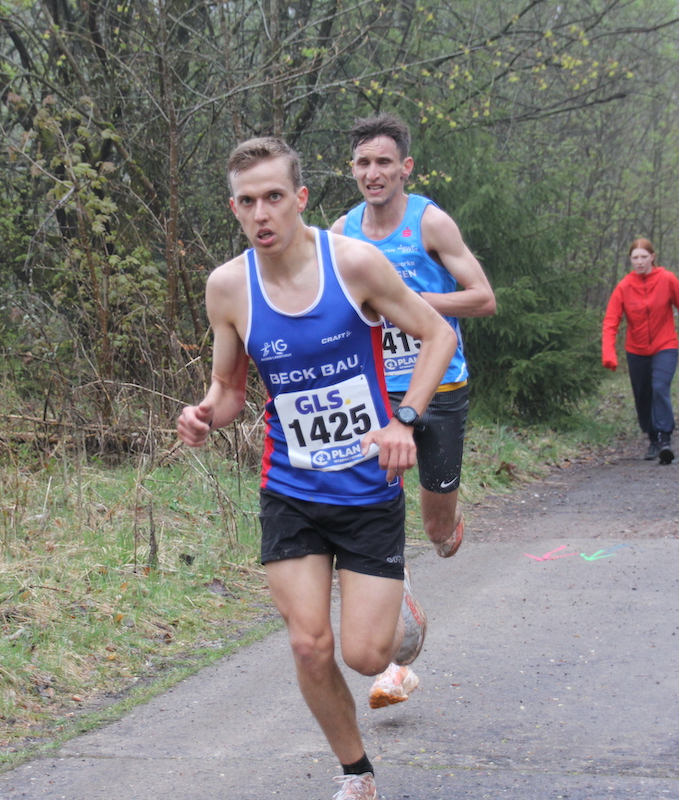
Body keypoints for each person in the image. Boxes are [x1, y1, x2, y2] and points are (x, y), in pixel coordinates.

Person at [177, 137, 456, 800]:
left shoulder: (354, 264)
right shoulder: (228, 287)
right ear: (234, 209)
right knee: (309, 645)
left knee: (366, 655)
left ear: (300, 198)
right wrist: (206, 414)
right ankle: (357, 774)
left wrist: (405, 420)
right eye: (248, 202)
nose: (262, 213)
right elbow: (230, 390)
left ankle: (398, 607)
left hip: (365, 488)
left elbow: (438, 334)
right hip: (291, 488)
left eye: (274, 196)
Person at [330, 112, 496, 709]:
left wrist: (411, 302)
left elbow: (483, 298)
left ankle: (449, 525)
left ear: (406, 168)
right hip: (377, 395)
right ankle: (396, 656)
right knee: (375, 516)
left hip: (440, 386)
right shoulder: (342, 232)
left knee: (437, 533)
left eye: (384, 162)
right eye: (362, 163)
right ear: (352, 170)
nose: (372, 173)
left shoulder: (430, 222)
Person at [601, 238, 679, 464]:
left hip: (665, 345)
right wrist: (608, 353)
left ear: (652, 257)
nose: (639, 262)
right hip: (636, 350)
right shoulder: (624, 287)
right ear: (630, 260)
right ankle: (652, 439)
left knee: (660, 387)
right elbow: (611, 321)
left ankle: (665, 440)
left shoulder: (667, 279)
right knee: (643, 396)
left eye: (644, 257)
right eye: (635, 258)